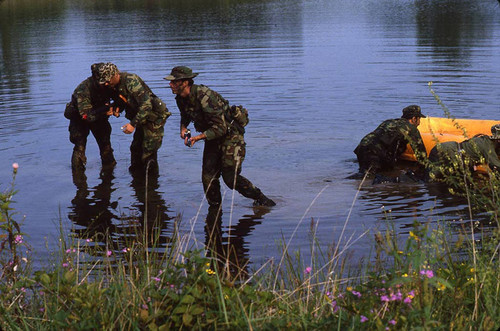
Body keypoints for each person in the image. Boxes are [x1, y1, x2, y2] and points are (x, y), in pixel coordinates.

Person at [163, 66, 276, 207]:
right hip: (212, 136)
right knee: (208, 177)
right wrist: (183, 128)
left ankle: (262, 200)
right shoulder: (180, 98)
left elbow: (221, 128)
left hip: (230, 136)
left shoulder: (205, 97)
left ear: (185, 82)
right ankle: (215, 208)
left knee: (230, 178)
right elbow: (185, 115)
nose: (170, 84)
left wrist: (197, 138)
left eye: (174, 82)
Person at [94, 62, 171, 173]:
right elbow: (123, 100)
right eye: (104, 81)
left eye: (107, 80)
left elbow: (146, 105)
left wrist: (132, 124)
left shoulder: (131, 81)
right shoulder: (113, 85)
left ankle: (151, 184)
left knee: (148, 152)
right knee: (136, 149)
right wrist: (117, 108)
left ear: (115, 75)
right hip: (142, 118)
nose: (106, 84)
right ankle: (137, 181)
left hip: (154, 118)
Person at [64, 63, 117, 172]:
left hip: (99, 116)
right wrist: (104, 111)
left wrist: (115, 108)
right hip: (79, 118)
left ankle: (109, 177)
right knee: (79, 147)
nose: (105, 83)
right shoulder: (83, 90)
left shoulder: (109, 84)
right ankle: (78, 176)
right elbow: (85, 116)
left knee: (106, 146)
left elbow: (118, 98)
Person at [354, 105, 428, 175]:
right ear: (414, 118)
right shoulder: (411, 129)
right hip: (375, 152)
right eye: (419, 119)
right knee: (369, 176)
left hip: (362, 147)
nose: (419, 123)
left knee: (365, 172)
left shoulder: (389, 122)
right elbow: (421, 153)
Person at [427, 124, 500, 181]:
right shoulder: (488, 146)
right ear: (498, 140)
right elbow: (496, 166)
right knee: (432, 179)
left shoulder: (486, 140)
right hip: (449, 152)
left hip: (447, 149)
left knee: (435, 177)